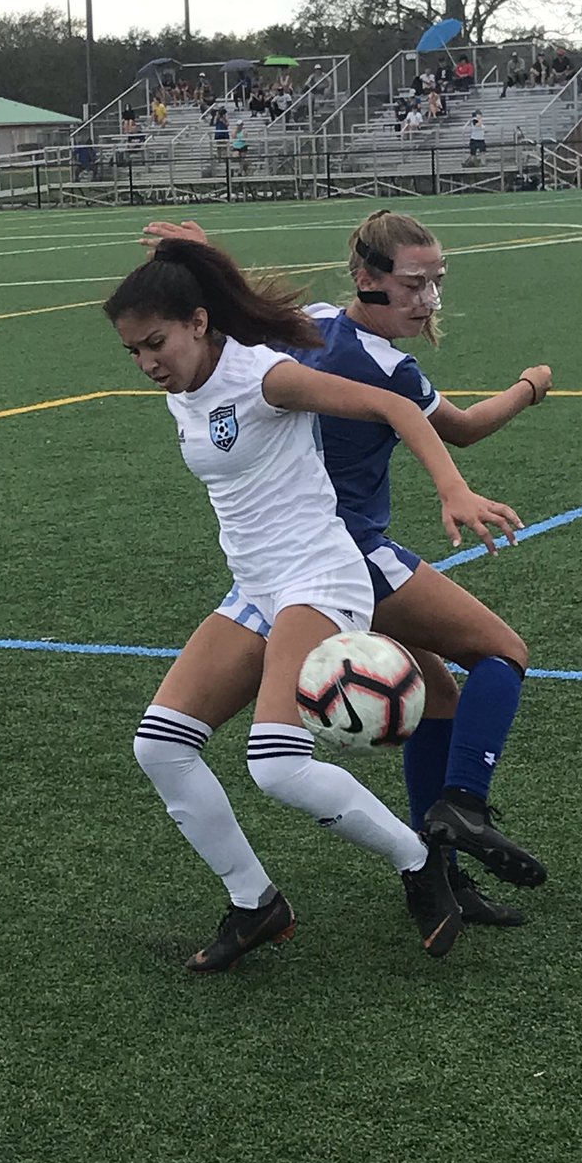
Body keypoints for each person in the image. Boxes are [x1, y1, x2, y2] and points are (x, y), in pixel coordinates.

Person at [107, 240, 529, 972]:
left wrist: (453, 488)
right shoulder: (191, 381)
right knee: (161, 746)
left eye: (156, 342)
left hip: (319, 576)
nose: (147, 362)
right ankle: (255, 902)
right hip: (258, 586)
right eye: (133, 351)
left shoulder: (264, 377)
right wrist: (206, 255)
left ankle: (416, 860)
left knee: (275, 765)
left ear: (198, 324)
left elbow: (393, 405)